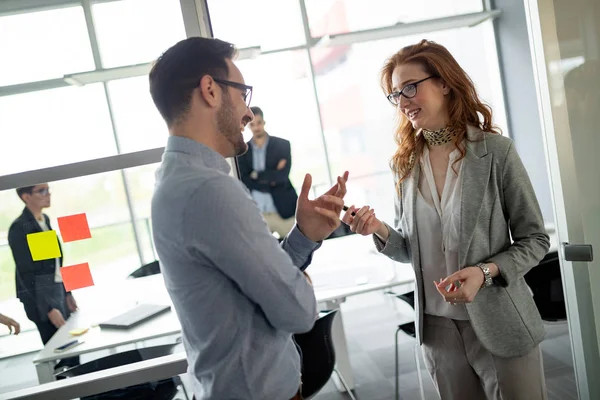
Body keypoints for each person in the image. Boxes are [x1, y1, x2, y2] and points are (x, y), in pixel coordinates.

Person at [342, 40, 550, 400]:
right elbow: (410, 249)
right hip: (438, 331)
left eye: (410, 87)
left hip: (500, 319)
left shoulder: (496, 153)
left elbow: (535, 240)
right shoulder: (404, 165)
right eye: (395, 94)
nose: (403, 101)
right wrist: (376, 229)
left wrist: (485, 272)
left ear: (444, 83)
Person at [149, 37, 348, 400]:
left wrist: (304, 234)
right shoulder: (209, 190)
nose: (247, 111)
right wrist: (297, 284)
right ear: (210, 90)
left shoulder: (174, 180)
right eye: (243, 93)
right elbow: (299, 312)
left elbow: (252, 291)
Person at [8, 183, 79, 369]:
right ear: (26, 196)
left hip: (55, 291)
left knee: (72, 351)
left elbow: (52, 263)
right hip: (39, 298)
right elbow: (27, 274)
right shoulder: (19, 227)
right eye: (42, 191)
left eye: (48, 189)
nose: (48, 194)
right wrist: (49, 308)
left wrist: (67, 293)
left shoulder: (42, 219)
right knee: (59, 353)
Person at [237, 106, 298, 239]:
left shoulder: (283, 145)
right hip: (258, 214)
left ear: (264, 122)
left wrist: (256, 175)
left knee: (297, 249)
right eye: (252, 124)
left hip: (283, 209)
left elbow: (282, 177)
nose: (256, 127)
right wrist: (272, 177)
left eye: (259, 123)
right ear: (248, 126)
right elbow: (245, 181)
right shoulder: (242, 152)